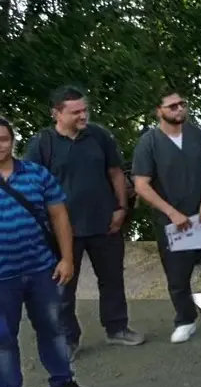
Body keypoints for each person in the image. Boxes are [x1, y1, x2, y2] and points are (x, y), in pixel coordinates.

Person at [23, 86, 142, 352]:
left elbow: (115, 172)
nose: (83, 115)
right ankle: (69, 339)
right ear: (57, 114)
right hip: (63, 230)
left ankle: (117, 328)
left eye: (84, 110)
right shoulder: (42, 143)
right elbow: (32, 184)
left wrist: (121, 208)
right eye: (75, 112)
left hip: (105, 223)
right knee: (63, 287)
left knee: (112, 280)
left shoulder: (99, 136)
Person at [0, 116, 94, 387]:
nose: (0, 145)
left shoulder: (37, 174)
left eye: (4, 138)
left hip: (42, 268)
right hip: (2, 276)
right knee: (3, 339)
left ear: (12, 140)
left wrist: (67, 259)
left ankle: (63, 381)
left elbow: (59, 216)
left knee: (53, 328)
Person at [132, 91, 201, 343]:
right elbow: (141, 185)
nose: (179, 109)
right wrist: (171, 212)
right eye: (172, 106)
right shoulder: (149, 142)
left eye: (182, 104)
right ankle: (185, 319)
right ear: (159, 111)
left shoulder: (197, 134)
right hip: (171, 221)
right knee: (177, 273)